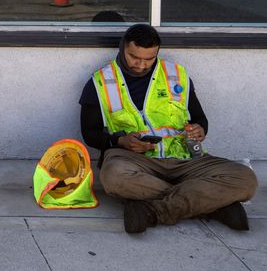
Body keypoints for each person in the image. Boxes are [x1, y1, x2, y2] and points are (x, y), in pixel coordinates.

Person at [79, 24, 257, 234]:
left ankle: (153, 210)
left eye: (149, 59)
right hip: (135, 161)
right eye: (134, 57)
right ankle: (213, 206)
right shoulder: (100, 82)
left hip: (185, 159)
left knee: (245, 179)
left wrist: (200, 130)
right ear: (122, 49)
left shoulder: (176, 75)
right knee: (113, 176)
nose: (141, 65)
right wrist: (120, 141)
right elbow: (89, 133)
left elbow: (199, 117)